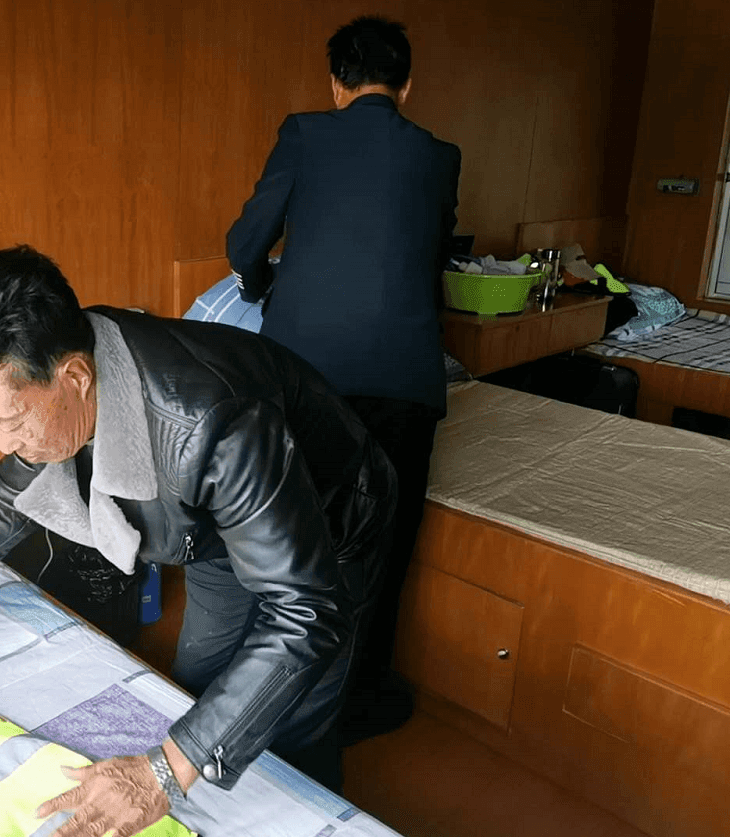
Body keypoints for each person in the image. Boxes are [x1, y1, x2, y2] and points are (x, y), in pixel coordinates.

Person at [0, 245, 396, 837]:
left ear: (75, 378)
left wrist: (162, 772)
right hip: (214, 533)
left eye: (11, 421)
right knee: (195, 680)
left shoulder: (214, 423)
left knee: (293, 716)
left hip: (331, 522)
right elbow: (3, 503)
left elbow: (305, 612)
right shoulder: (61, 366)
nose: (4, 445)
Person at [225, 15, 462, 743]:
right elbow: (431, 260)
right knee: (383, 542)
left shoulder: (305, 133)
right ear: (407, 85)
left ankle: (263, 694)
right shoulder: (440, 156)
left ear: (336, 84)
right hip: (404, 378)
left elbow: (245, 242)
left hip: (308, 378)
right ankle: (358, 701)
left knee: (291, 532)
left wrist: (262, 284)